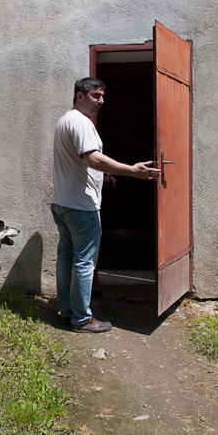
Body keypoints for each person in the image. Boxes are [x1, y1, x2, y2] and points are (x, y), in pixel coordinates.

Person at [50, 77, 161, 332]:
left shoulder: (65, 120)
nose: (101, 101)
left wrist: (102, 175)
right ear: (80, 96)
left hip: (62, 202)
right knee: (84, 261)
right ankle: (81, 319)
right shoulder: (82, 123)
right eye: (95, 96)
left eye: (102, 96)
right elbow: (93, 159)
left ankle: (67, 311)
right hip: (81, 206)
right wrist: (132, 171)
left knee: (67, 257)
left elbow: (80, 161)